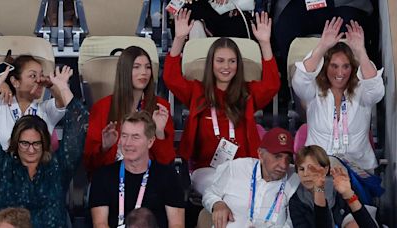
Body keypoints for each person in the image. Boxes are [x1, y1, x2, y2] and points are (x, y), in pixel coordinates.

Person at [163, 9, 280, 186]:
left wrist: (264, 43)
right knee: (225, 190)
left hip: (244, 167)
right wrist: (179, 39)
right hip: (206, 170)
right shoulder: (197, 91)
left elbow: (272, 85)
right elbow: (170, 78)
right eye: (220, 61)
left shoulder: (247, 93)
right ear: (211, 63)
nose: (226, 66)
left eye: (232, 61)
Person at [0, 67, 88, 227]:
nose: (31, 150)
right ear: (16, 143)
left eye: (36, 143)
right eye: (25, 143)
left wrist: (62, 87)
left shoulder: (59, 167)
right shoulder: (4, 166)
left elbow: (79, 124)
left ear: (44, 143)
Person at [291, 17, 384, 171]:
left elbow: (376, 91)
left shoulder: (362, 89)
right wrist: (322, 46)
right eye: (334, 66)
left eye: (346, 66)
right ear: (325, 67)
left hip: (359, 171)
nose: (340, 72)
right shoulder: (314, 90)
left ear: (352, 68)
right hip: (318, 171)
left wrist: (360, 52)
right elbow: (300, 81)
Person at [84, 46, 175, 177]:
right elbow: (89, 164)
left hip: (148, 179)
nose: (143, 72)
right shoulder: (102, 107)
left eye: (147, 67)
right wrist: (105, 147)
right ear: (125, 71)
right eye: (136, 67)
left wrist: (159, 133)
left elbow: (166, 163)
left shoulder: (160, 106)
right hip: (112, 179)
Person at [89, 111, 185, 228]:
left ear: (150, 141)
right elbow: (100, 224)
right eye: (124, 136)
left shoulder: (168, 176)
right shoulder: (103, 176)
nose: (128, 143)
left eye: (135, 137)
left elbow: (177, 225)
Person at [202, 127, 300, 228]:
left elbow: (292, 223)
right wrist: (216, 203)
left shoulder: (295, 179)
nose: (284, 165)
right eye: (277, 156)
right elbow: (210, 193)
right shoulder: (236, 168)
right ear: (261, 154)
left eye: (288, 159)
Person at [289, 145, 378, 228]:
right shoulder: (296, 201)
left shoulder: (340, 186)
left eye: (312, 168)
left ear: (325, 169)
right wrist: (319, 190)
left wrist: (348, 194)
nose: (305, 174)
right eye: (301, 169)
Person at [0, 55, 73, 151]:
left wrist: (50, 85)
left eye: (41, 75)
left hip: (39, 164)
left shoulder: (45, 109)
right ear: (15, 82)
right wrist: (0, 83)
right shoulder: (1, 104)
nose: (39, 80)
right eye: (33, 75)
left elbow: (63, 101)